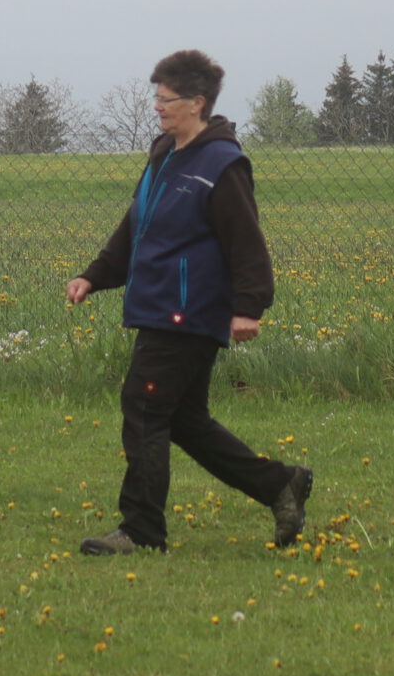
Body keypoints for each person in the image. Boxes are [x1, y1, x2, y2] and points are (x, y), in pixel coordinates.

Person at [63, 49, 312, 555]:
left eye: (166, 99)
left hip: (187, 310)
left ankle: (141, 530)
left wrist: (249, 306)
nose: (157, 107)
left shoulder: (222, 164)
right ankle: (278, 485)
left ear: (197, 103)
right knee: (183, 419)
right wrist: (94, 276)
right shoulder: (163, 153)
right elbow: (137, 224)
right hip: (156, 304)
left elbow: (247, 242)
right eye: (155, 97)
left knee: (144, 406)